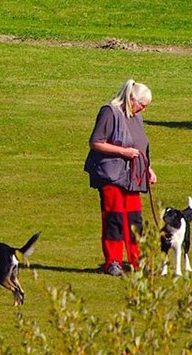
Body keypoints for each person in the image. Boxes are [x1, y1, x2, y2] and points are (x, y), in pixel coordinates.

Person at [85, 80, 155, 276]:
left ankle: (137, 261)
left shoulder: (137, 118)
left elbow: (140, 148)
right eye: (142, 104)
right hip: (111, 175)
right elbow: (96, 142)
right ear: (131, 99)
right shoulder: (109, 112)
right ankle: (112, 262)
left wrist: (148, 169)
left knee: (135, 220)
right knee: (114, 218)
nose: (143, 109)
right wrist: (123, 152)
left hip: (133, 177)